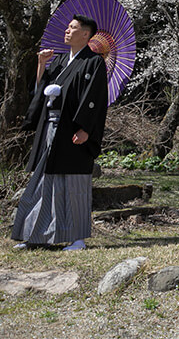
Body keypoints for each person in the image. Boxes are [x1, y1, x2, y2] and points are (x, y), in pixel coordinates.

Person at [11, 14, 108, 251]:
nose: (67, 30)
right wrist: (41, 65)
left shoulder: (93, 62)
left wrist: (86, 129)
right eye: (68, 26)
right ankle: (36, 235)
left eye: (73, 28)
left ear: (86, 34)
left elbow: (95, 99)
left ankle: (78, 239)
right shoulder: (59, 60)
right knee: (44, 180)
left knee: (73, 181)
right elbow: (40, 90)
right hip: (50, 127)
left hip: (73, 129)